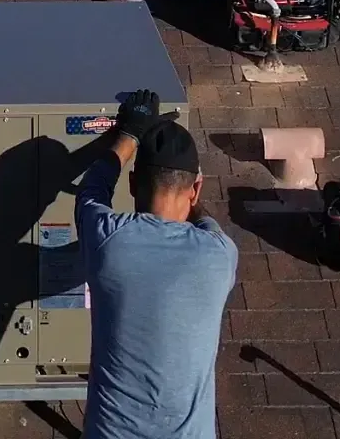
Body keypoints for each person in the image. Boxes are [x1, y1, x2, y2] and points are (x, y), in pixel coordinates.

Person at [76, 90, 237, 439]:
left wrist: (129, 135)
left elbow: (91, 190)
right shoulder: (220, 254)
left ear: (133, 184)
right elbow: (204, 220)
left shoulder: (108, 239)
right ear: (196, 189)